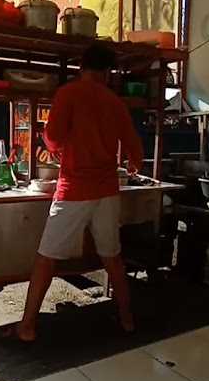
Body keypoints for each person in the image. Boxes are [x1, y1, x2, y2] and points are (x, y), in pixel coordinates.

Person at [17, 41, 144, 342]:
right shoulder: (114, 101)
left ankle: (27, 326)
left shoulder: (68, 94)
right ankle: (127, 319)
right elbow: (133, 146)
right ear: (107, 71)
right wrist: (134, 164)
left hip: (74, 190)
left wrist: (57, 147)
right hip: (107, 191)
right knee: (112, 257)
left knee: (46, 258)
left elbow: (52, 137)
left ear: (82, 66)